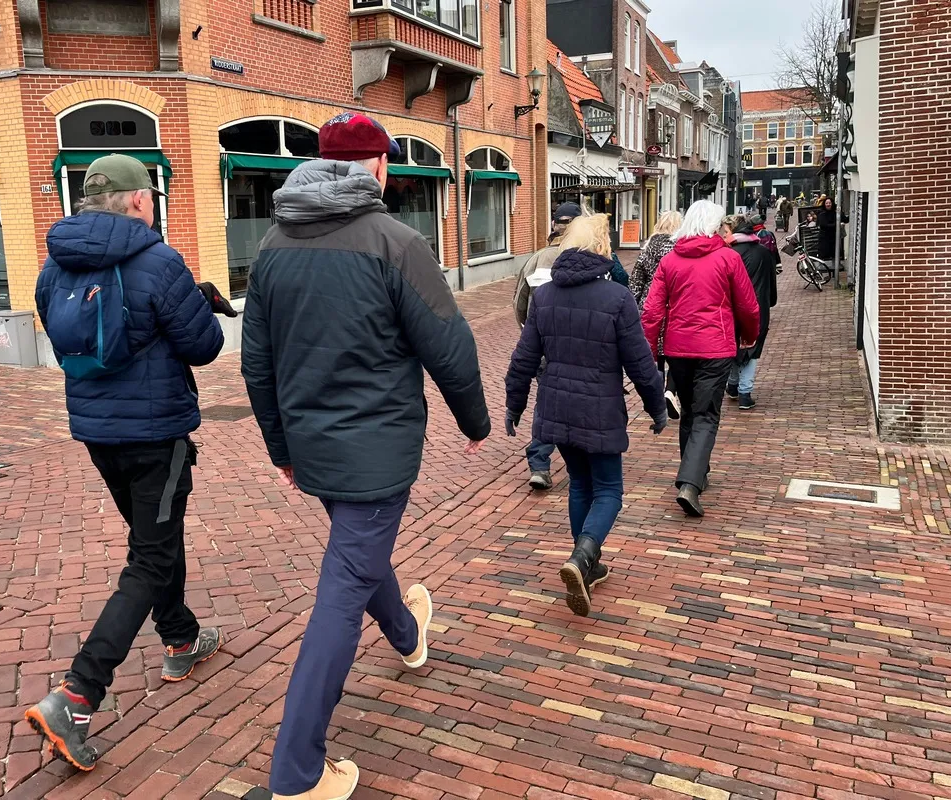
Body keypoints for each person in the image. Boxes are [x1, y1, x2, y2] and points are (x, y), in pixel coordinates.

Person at [241, 112, 490, 800]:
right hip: (378, 454)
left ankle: (409, 635)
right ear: (378, 166)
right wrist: (474, 421)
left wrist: (279, 447)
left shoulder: (271, 246)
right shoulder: (396, 242)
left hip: (316, 452)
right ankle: (297, 772)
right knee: (341, 591)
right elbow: (450, 344)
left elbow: (256, 363)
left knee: (357, 556)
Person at [26, 155, 233, 770]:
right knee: (151, 554)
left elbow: (61, 334)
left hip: (97, 431)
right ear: (139, 201)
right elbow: (205, 345)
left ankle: (181, 638)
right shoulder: (159, 260)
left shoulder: (54, 261)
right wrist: (189, 306)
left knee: (153, 541)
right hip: (156, 432)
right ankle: (79, 693)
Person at [505, 214, 667, 617]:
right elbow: (640, 362)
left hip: (556, 409)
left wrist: (515, 403)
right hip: (600, 411)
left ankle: (585, 563)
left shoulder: (545, 297)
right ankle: (582, 558)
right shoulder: (616, 299)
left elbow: (524, 358)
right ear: (602, 248)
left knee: (580, 484)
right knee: (609, 490)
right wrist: (656, 405)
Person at [641, 200, 759, 518]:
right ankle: (690, 483)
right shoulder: (728, 258)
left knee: (691, 412)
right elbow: (747, 305)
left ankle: (695, 473)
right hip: (716, 347)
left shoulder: (670, 262)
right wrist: (750, 335)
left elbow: (652, 310)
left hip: (679, 348)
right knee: (706, 414)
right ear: (713, 225)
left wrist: (651, 351)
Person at [513, 201, 583, 490]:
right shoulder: (590, 258)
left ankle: (540, 464)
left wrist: (531, 335)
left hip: (543, 347)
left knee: (547, 403)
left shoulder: (536, 259)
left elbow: (519, 304)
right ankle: (583, 459)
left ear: (555, 225)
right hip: (581, 347)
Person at [630, 210, 684, 419]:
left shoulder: (648, 248)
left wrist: (632, 310)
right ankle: (670, 391)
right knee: (676, 354)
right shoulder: (681, 248)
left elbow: (635, 282)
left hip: (650, 306)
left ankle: (656, 398)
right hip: (675, 307)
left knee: (655, 357)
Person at [726, 216, 778, 410]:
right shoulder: (764, 252)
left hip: (733, 308)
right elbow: (771, 280)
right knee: (752, 348)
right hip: (759, 307)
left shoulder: (730, 253)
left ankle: (732, 385)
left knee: (733, 345)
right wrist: (770, 301)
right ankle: (744, 393)